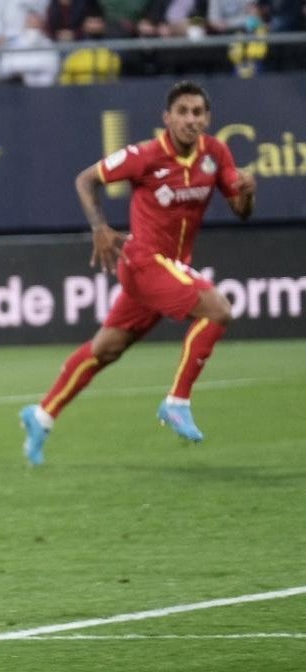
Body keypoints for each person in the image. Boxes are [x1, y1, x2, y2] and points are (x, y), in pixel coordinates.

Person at [19, 81, 256, 467]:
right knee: (218, 310)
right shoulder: (145, 156)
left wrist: (248, 191)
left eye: (198, 112)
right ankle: (177, 401)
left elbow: (242, 210)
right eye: (183, 111)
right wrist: (99, 227)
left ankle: (41, 415)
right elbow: (85, 179)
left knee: (106, 349)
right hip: (143, 262)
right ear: (167, 117)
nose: (190, 119)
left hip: (168, 271)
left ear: (207, 118)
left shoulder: (215, 153)